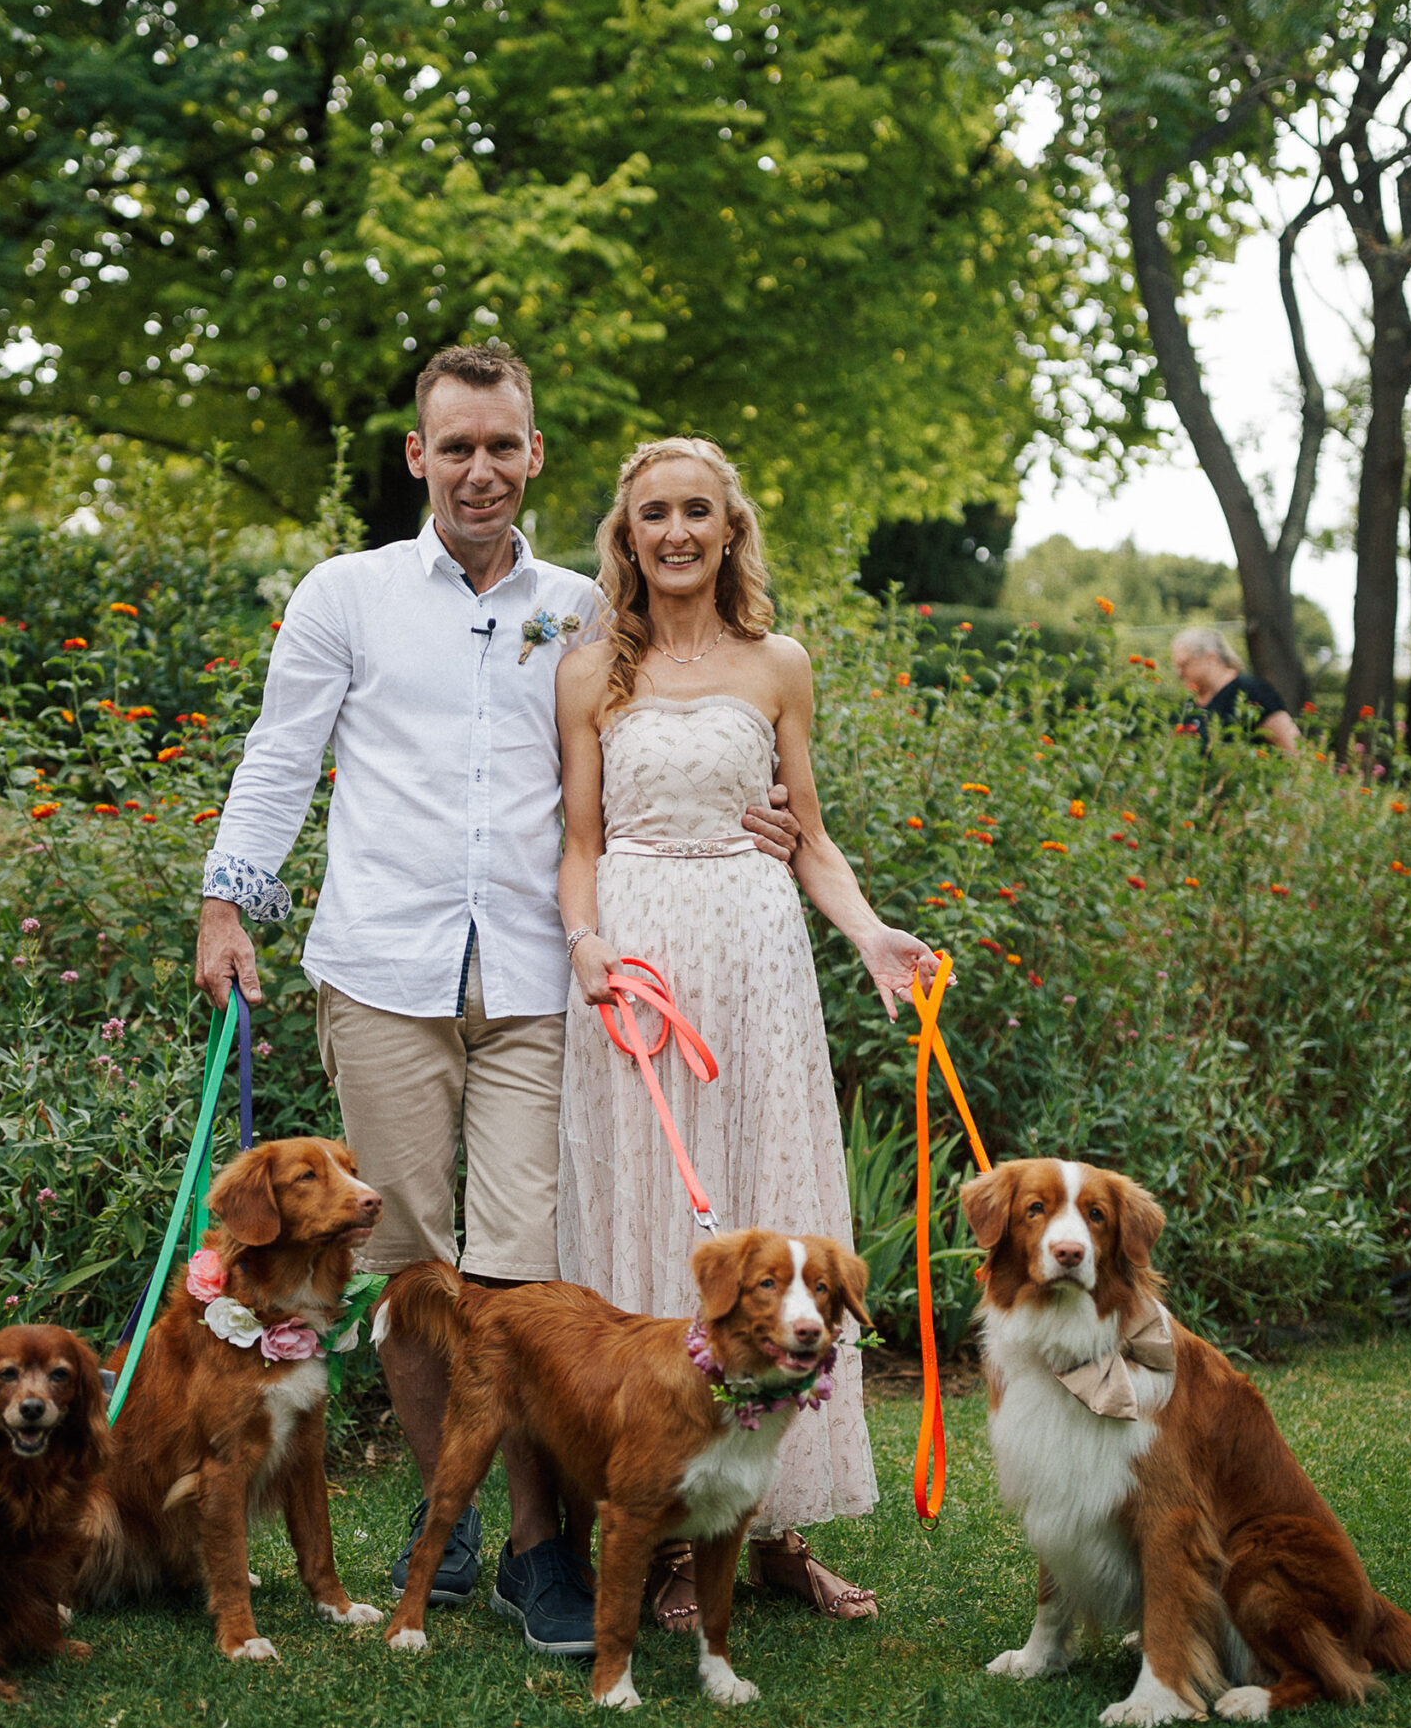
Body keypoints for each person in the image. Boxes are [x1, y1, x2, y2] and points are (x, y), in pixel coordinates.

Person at [192, 347, 798, 1657]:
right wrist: (227, 902)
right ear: (415, 456)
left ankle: (536, 1557)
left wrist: (756, 807)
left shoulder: (583, 609)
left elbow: (674, 708)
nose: (478, 467)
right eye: (452, 445)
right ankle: (444, 1515)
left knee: (518, 1270)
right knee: (409, 1266)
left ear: (533, 456)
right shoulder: (344, 595)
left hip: (533, 979)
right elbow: (281, 750)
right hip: (381, 968)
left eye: (501, 446)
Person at [556, 437, 938, 1628]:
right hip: (640, 958)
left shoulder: (780, 663)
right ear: (628, 536)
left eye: (697, 514)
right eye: (653, 515)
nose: (675, 533)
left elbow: (809, 835)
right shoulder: (585, 673)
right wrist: (587, 946)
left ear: (730, 531)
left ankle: (780, 1534)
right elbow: (576, 844)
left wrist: (871, 933)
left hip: (759, 952)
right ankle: (667, 1535)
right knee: (653, 1219)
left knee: (773, 1204)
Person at [1169, 627, 1299, 754]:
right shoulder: (1188, 706)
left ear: (1211, 658)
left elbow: (1294, 750)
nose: (1179, 674)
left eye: (1184, 665)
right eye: (1177, 667)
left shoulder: (1252, 691)